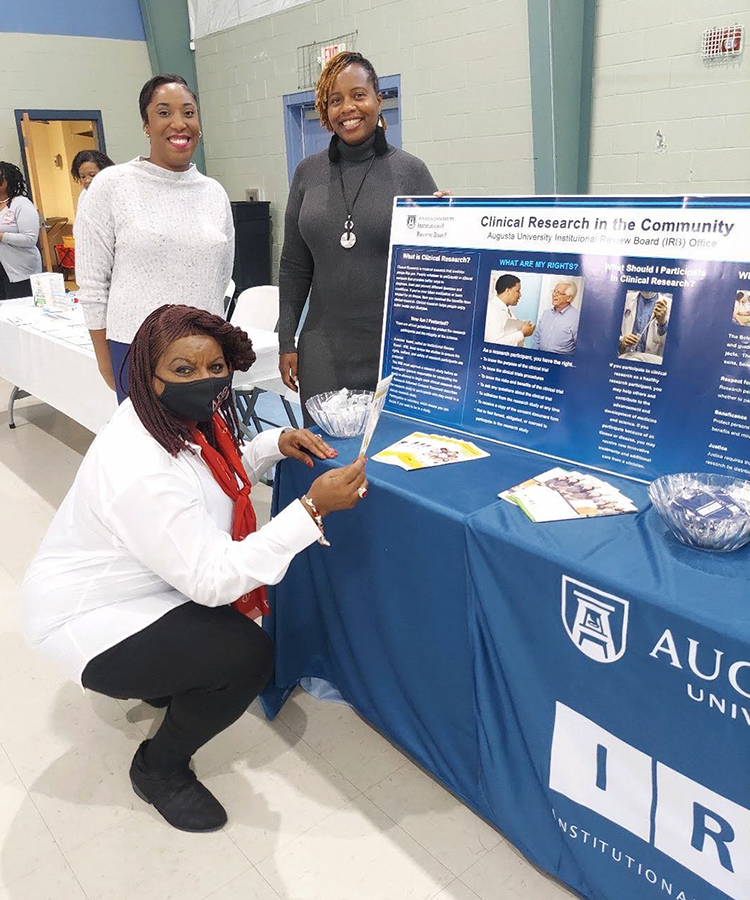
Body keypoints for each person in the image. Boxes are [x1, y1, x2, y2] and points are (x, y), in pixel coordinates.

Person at [21, 304, 367, 833]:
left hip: (142, 580)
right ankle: (158, 769)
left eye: (215, 368)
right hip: (87, 615)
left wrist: (270, 445)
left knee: (214, 637)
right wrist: (311, 510)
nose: (204, 381)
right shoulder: (138, 462)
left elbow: (208, 480)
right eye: (182, 370)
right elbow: (212, 579)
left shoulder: (169, 420)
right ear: (147, 374)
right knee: (246, 656)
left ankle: (165, 678)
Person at [278, 51, 442, 423]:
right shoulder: (307, 173)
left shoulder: (411, 172)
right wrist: (287, 339)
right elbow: (293, 266)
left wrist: (451, 222)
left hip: (394, 348)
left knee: (387, 455)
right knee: (326, 457)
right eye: (335, 100)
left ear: (378, 100)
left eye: (358, 95)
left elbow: (436, 262)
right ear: (326, 109)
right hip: (322, 348)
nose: (347, 108)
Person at [77, 74, 234, 403]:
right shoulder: (112, 185)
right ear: (146, 124)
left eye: (188, 113)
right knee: (146, 450)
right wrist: (106, 359)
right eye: (164, 113)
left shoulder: (214, 193)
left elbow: (221, 278)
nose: (179, 123)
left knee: (203, 451)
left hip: (205, 355)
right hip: (136, 351)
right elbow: (93, 284)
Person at [0, 161, 43, 300]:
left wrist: (1, 236)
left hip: (20, 272)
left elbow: (30, 239)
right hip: (2, 270)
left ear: (9, 180)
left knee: (20, 310)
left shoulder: (21, 204)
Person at [71, 150, 115, 248]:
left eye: (92, 175)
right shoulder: (84, 196)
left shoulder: (117, 193)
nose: (87, 180)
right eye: (82, 177)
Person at [484, 273, 533, 346]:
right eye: (517, 291)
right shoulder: (492, 310)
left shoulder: (509, 312)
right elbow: (495, 343)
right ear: (507, 291)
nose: (520, 295)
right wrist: (522, 333)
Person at [618, 290, 670, 359]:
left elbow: (670, 344)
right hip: (626, 358)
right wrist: (621, 341)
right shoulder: (626, 299)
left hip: (651, 362)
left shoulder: (669, 304)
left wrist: (662, 322)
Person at [532, 281, 580, 354]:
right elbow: (537, 338)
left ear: (569, 298)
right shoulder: (546, 313)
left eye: (558, 293)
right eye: (554, 291)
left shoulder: (576, 318)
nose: (554, 295)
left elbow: (580, 348)